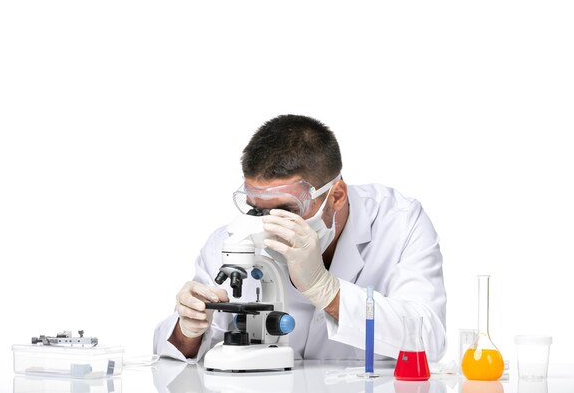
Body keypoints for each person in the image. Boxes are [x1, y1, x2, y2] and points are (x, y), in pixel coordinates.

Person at [154, 114, 447, 362]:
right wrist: (188, 330)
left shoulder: (399, 223)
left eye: (286, 210)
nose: (268, 224)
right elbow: (173, 352)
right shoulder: (230, 240)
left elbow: (427, 339)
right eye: (257, 209)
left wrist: (325, 289)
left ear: (336, 196)